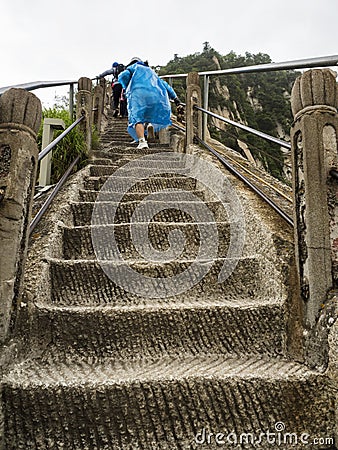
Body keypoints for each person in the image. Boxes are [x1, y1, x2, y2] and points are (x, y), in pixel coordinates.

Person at [118, 57, 181, 149]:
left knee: (137, 117)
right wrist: (176, 99)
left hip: (139, 95)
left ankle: (142, 141)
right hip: (154, 95)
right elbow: (164, 84)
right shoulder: (151, 72)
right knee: (149, 113)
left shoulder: (132, 68)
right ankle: (149, 126)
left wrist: (128, 85)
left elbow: (123, 76)